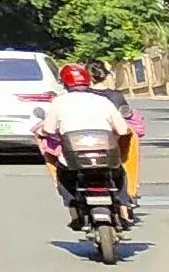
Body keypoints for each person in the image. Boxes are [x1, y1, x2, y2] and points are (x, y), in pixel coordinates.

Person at [40, 62, 139, 211]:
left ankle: (72, 203)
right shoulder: (103, 101)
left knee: (63, 173)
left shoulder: (59, 102)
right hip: (106, 156)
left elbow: (48, 129)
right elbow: (123, 130)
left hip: (74, 158)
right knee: (118, 172)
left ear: (64, 84)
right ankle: (124, 200)